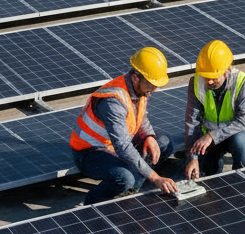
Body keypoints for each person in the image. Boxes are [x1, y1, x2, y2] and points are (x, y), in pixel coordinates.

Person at [69, 46, 178, 204]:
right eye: (152, 84)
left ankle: (129, 191)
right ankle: (92, 203)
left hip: (114, 145)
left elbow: (140, 117)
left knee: (163, 144)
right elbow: (123, 147)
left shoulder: (140, 88)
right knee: (124, 177)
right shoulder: (113, 101)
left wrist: (149, 136)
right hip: (90, 152)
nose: (154, 89)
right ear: (135, 77)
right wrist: (155, 178)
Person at [183, 40, 245, 179]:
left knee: (240, 142)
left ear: (227, 70)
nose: (209, 81)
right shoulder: (195, 83)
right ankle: (213, 178)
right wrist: (192, 157)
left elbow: (244, 120)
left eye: (213, 77)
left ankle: (241, 178)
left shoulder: (241, 82)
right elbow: (192, 123)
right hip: (211, 135)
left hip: (241, 131)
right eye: (206, 77)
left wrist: (212, 136)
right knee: (206, 169)